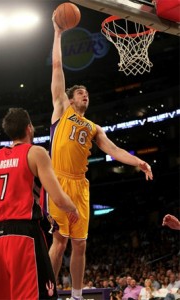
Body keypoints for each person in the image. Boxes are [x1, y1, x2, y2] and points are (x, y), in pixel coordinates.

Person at [48, 12, 153, 300]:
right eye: (81, 93)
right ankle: (45, 292)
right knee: (59, 241)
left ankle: (77, 296)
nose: (86, 96)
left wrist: (138, 161)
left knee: (80, 245)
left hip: (80, 185)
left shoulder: (94, 127)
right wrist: (57, 34)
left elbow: (114, 150)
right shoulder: (62, 110)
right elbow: (57, 67)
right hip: (58, 182)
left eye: (87, 94)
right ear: (70, 99)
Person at [0, 108, 79, 300]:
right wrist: (74, 208)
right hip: (24, 234)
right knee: (41, 294)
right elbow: (58, 198)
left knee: (5, 296)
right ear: (29, 128)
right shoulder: (35, 153)